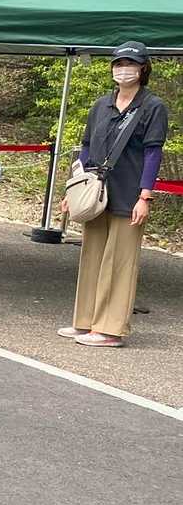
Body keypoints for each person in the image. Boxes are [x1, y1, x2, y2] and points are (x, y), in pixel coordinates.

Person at [57, 41, 170, 348]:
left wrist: (144, 196)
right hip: (95, 190)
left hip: (129, 193)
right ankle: (85, 321)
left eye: (130, 64)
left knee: (119, 262)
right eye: (119, 64)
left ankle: (110, 329)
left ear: (143, 69)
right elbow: (86, 148)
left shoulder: (153, 106)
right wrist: (74, 188)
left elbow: (153, 153)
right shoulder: (101, 105)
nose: (124, 70)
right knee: (92, 257)